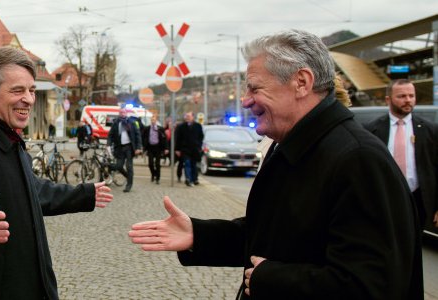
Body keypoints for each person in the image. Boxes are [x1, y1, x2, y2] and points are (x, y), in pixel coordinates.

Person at [129, 30, 423, 299]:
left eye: (255, 88)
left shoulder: (358, 159)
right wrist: (198, 234)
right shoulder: (292, 145)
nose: (245, 101)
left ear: (301, 82)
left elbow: (373, 285)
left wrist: (271, 279)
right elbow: (272, 235)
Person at [0, 46, 113, 300]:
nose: (29, 99)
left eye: (32, 90)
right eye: (17, 90)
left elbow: (32, 191)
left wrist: (84, 194)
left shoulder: (9, 140)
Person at [365, 79, 438, 229]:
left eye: (411, 96)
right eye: (402, 96)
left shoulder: (430, 130)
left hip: (419, 201)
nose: (408, 100)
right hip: (385, 201)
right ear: (388, 99)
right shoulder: (372, 130)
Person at [107, 107, 142, 192]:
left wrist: (138, 147)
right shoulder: (116, 123)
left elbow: (138, 135)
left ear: (126, 113)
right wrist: (108, 144)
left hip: (129, 147)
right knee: (118, 166)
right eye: (121, 112)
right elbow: (110, 135)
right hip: (119, 148)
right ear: (119, 113)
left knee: (129, 166)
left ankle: (128, 185)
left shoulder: (131, 122)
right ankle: (128, 176)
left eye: (124, 112)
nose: (123, 114)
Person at [175, 111, 204, 186]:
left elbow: (201, 137)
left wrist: (199, 145)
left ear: (193, 117)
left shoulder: (198, 126)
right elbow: (178, 138)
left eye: (189, 116)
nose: (187, 117)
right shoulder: (181, 126)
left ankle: (194, 179)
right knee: (187, 163)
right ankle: (188, 179)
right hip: (185, 149)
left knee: (194, 164)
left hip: (195, 149)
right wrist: (177, 149)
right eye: (186, 116)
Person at [142, 115, 169, 184]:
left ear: (156, 121)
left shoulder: (160, 129)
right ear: (150, 121)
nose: (153, 121)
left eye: (154, 120)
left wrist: (166, 148)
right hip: (150, 147)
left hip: (158, 148)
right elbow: (143, 137)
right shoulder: (147, 128)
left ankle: (158, 178)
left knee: (157, 164)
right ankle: (153, 174)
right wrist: (143, 147)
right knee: (150, 163)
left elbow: (164, 139)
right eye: (152, 120)